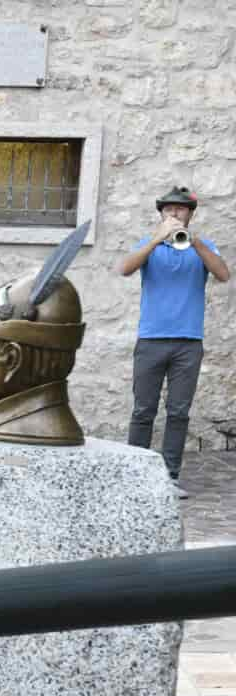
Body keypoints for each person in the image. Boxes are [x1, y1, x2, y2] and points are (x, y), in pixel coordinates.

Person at [118, 186, 229, 498]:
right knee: (143, 410)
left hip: (188, 343)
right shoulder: (149, 246)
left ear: (190, 215)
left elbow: (223, 275)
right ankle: (133, 474)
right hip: (151, 340)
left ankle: (170, 476)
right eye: (168, 210)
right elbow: (125, 269)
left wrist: (194, 242)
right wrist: (156, 239)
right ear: (161, 214)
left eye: (180, 210)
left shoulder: (202, 246)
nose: (174, 214)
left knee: (179, 412)